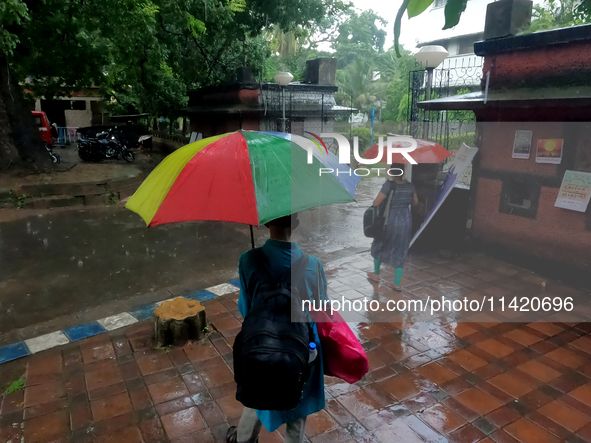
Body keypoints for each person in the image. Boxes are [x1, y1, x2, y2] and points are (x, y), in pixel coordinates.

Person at [227, 213, 327, 443]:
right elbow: (322, 310)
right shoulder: (313, 265)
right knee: (297, 403)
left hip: (261, 344)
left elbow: (246, 308)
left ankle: (243, 440)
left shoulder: (248, 260)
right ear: (297, 223)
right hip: (301, 349)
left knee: (258, 393)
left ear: (266, 222)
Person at [367, 163, 418, 290]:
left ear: (391, 172)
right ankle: (397, 283)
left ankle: (376, 274)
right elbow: (415, 202)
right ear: (403, 172)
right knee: (401, 250)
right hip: (405, 221)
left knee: (379, 245)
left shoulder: (388, 185)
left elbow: (376, 202)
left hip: (389, 221)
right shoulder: (410, 186)